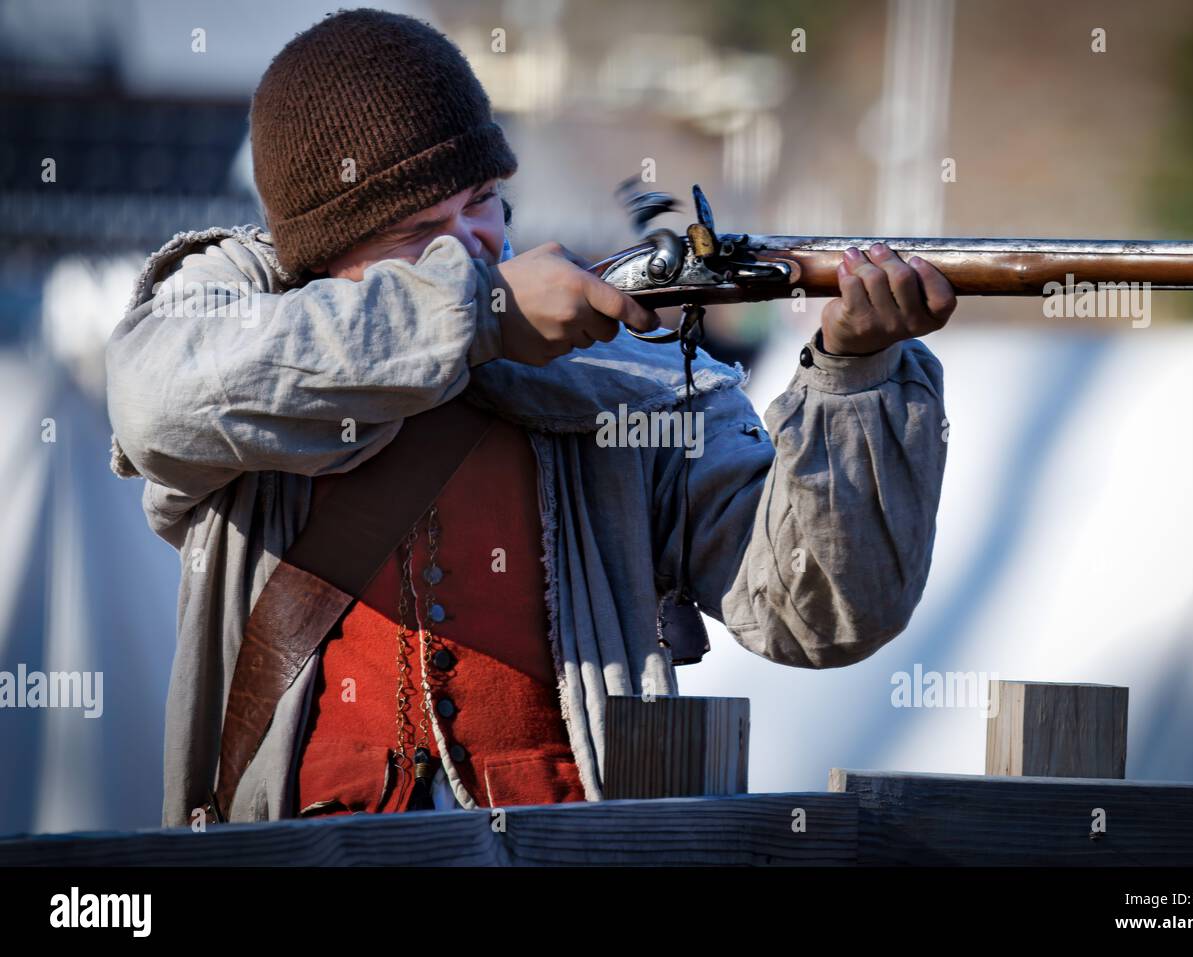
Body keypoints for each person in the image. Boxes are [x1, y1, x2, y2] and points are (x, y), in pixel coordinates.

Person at [104, 8, 956, 826]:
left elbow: (816, 612)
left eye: (479, 201)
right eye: (418, 229)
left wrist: (855, 375)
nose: (468, 246)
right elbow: (156, 401)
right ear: (323, 253)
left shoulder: (619, 371)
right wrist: (475, 316)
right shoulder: (243, 310)